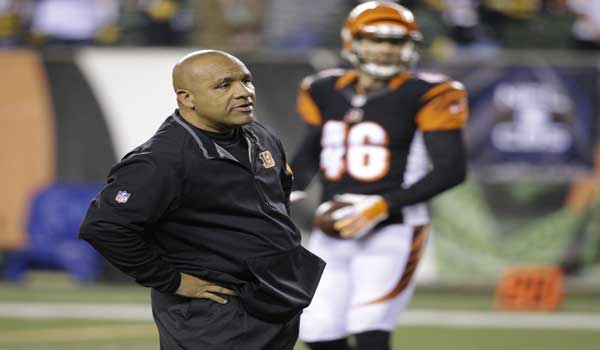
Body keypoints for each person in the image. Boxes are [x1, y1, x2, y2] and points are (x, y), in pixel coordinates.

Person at [79, 50, 325, 350]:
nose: (243, 92)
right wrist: (172, 281)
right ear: (187, 98)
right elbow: (103, 226)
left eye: (246, 81)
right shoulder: (163, 160)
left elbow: (279, 195)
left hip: (271, 299)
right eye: (224, 85)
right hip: (214, 314)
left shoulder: (259, 135)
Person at [290, 2, 468, 350]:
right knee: (318, 331)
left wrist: (382, 205)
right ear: (352, 42)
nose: (386, 49)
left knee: (370, 327)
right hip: (334, 227)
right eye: (374, 39)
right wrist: (279, 198)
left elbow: (451, 170)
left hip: (395, 227)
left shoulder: (430, 92)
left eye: (395, 41)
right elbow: (309, 155)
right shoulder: (323, 88)